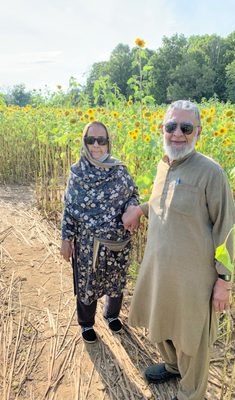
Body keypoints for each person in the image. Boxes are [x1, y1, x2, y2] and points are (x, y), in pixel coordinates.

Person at [122, 100, 235, 400]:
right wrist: (140, 210)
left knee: (191, 340)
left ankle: (190, 393)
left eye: (185, 128)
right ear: (163, 128)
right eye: (171, 126)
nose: (177, 134)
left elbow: (226, 229)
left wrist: (223, 282)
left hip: (193, 279)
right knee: (161, 323)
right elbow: (165, 205)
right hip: (159, 271)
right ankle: (173, 368)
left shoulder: (211, 173)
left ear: (198, 131)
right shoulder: (165, 164)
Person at [60, 121, 139, 344]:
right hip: (88, 242)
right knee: (88, 284)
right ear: (84, 143)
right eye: (90, 140)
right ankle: (86, 323)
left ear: (108, 143)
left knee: (116, 281)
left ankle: (111, 314)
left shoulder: (119, 171)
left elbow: (133, 194)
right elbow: (69, 208)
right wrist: (66, 238)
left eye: (101, 140)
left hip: (117, 241)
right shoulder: (77, 174)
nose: (96, 145)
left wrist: (133, 208)